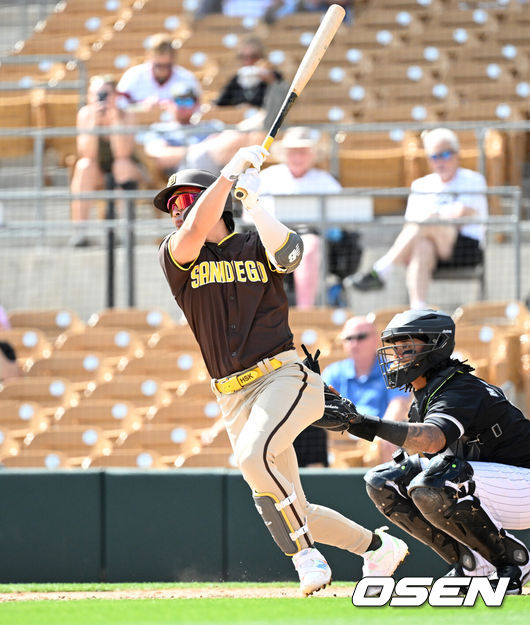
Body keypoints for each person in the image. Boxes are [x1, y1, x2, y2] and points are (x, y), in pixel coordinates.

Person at [154, 148, 408, 596]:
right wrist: (230, 172)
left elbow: (292, 254)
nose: (175, 211)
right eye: (170, 205)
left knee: (253, 460)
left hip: (283, 375)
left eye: (182, 200)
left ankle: (306, 557)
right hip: (231, 395)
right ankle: (377, 548)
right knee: (295, 508)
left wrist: (252, 202)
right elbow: (194, 229)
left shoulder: (254, 241)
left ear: (213, 200)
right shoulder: (176, 254)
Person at [337, 309, 530, 594]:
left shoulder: (459, 387)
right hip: (493, 488)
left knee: (437, 480)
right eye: (396, 348)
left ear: (436, 346)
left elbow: (432, 440)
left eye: (408, 347)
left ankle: (512, 563)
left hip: (522, 484)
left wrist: (365, 423)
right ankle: (474, 565)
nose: (398, 355)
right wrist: (349, 422)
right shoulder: (424, 396)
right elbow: (423, 455)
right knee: (386, 480)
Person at [351, 128, 488, 310]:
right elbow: (412, 225)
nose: (440, 161)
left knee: (428, 221)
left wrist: (434, 217)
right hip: (426, 246)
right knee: (423, 245)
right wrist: (436, 219)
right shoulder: (421, 184)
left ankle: (383, 269)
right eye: (434, 157)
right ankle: (418, 310)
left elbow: (461, 214)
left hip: (465, 248)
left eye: (445, 154)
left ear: (457, 155)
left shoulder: (473, 180)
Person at [258, 126, 360, 308]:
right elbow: (251, 214)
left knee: (310, 245)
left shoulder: (326, 182)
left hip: (315, 239)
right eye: (293, 152)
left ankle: (306, 311)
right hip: (271, 238)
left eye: (303, 151)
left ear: (312, 155)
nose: (298, 157)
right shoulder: (267, 178)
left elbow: (342, 217)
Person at [322, 316, 410, 464]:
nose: (354, 343)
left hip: (380, 438)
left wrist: (383, 433)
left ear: (376, 340)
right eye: (348, 338)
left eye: (361, 337)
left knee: (389, 441)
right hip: (341, 439)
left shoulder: (392, 369)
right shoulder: (333, 372)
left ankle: (389, 486)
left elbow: (398, 405)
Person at [69, 75, 144, 247]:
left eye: (104, 94)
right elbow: (87, 152)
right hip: (98, 168)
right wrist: (95, 123)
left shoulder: (126, 115)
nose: (100, 99)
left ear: (115, 96)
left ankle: (125, 232)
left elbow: (123, 153)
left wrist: (115, 119)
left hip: (126, 168)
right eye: (96, 94)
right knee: (84, 166)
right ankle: (80, 232)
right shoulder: (86, 115)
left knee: (121, 166)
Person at [141, 83, 264, 181]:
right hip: (182, 175)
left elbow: (232, 144)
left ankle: (265, 117)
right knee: (236, 135)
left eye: (188, 101)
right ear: (169, 104)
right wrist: (204, 148)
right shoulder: (160, 129)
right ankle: (264, 118)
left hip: (219, 172)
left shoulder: (211, 125)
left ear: (197, 105)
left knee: (246, 137)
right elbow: (158, 155)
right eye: (178, 101)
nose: (183, 106)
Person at [117, 34, 201, 109]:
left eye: (167, 66)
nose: (163, 70)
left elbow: (196, 109)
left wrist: (172, 106)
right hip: (141, 125)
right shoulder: (133, 75)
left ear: (173, 58)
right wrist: (142, 106)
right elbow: (119, 105)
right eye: (158, 66)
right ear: (149, 55)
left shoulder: (187, 78)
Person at [215, 36, 284, 109]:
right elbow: (220, 104)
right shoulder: (236, 80)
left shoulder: (273, 78)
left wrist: (271, 81)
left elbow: (284, 102)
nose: (248, 62)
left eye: (253, 57)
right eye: (244, 57)